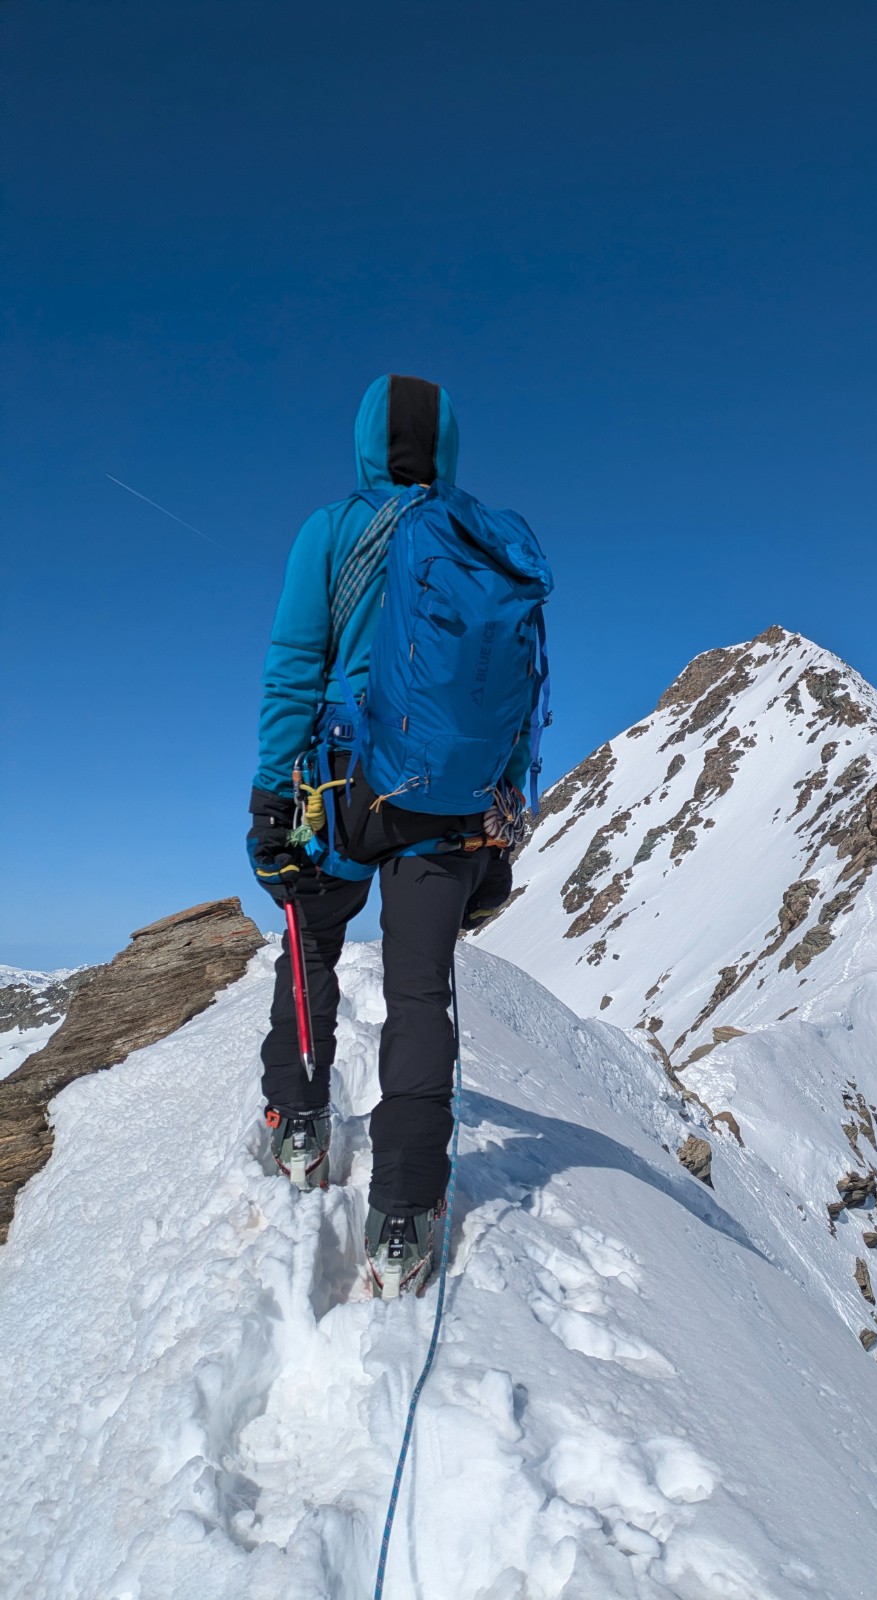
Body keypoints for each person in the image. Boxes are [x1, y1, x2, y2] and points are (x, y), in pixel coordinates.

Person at [247, 373, 550, 1297]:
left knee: (312, 945)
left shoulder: (332, 529)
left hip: (342, 786)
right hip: (451, 802)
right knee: (420, 990)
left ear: (365, 440)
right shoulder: (487, 540)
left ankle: (299, 1123)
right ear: (448, 445)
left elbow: (294, 667)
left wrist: (271, 796)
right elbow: (519, 696)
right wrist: (499, 819)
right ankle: (406, 1211)